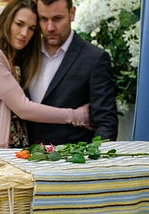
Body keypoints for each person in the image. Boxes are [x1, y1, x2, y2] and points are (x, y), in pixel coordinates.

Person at [0, 0, 90, 153]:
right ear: (6, 21)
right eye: (19, 24)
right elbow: (23, 108)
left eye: (32, 28)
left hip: (9, 152)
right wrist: (75, 116)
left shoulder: (15, 57)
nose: (24, 33)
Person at [26, 0, 118, 145]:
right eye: (43, 19)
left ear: (72, 13)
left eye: (57, 18)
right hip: (21, 158)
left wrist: (95, 160)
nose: (50, 27)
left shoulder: (94, 58)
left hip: (71, 161)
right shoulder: (25, 53)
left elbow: (106, 122)